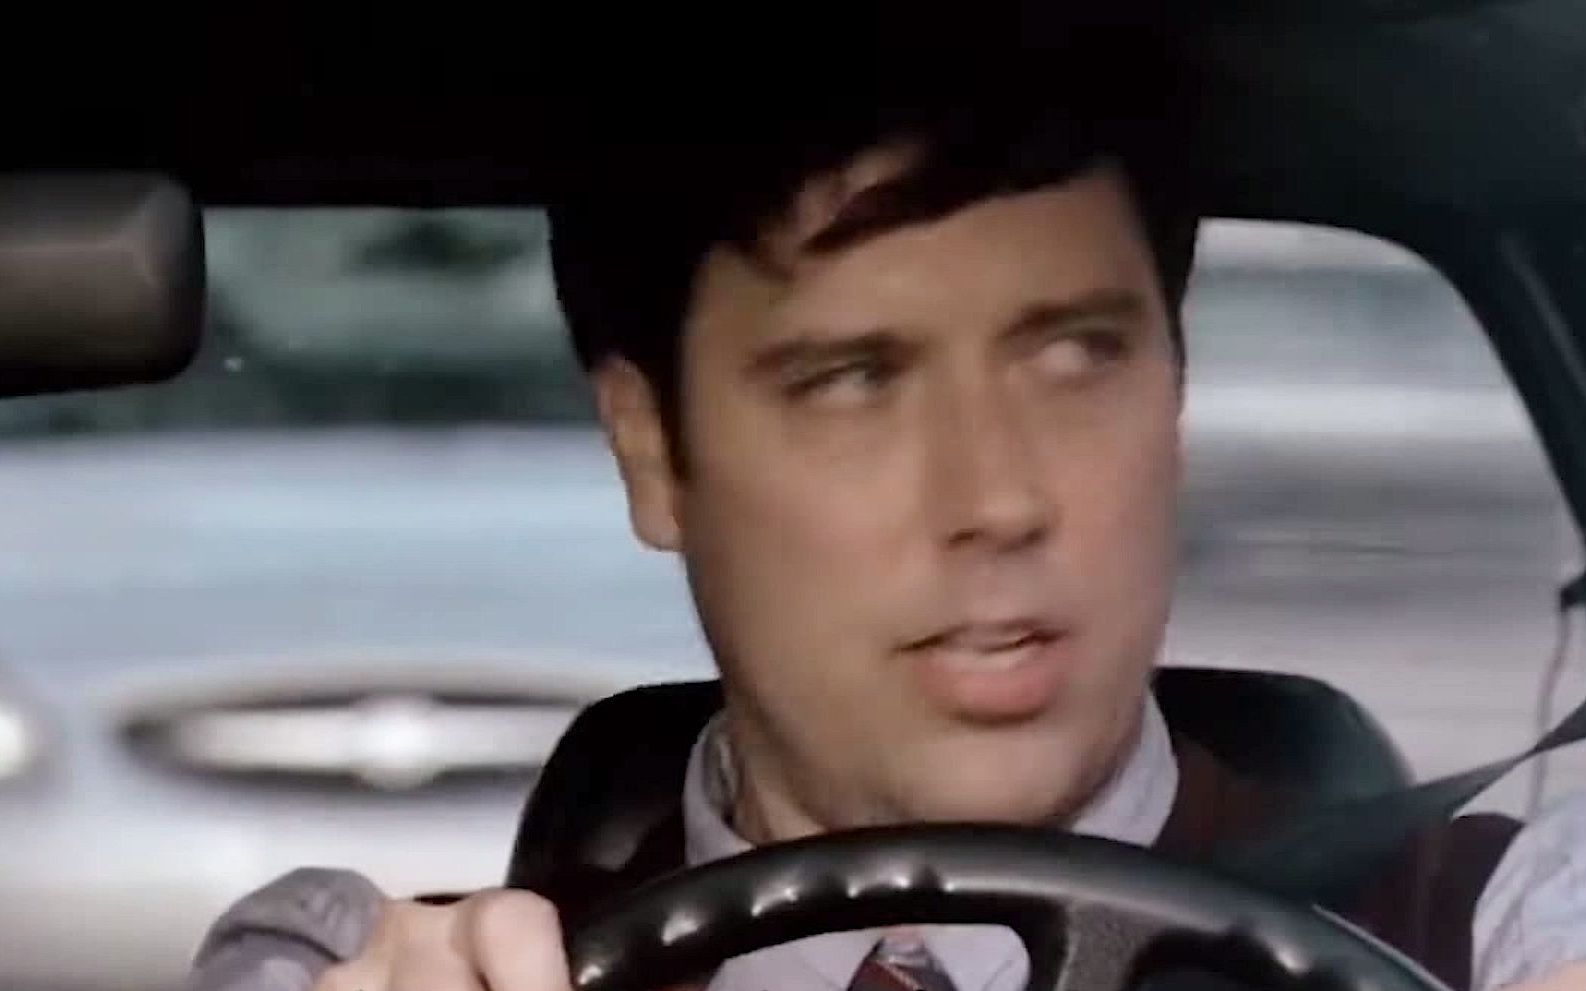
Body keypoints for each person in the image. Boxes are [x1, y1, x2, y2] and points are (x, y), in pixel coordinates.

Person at [184, 34, 1586, 991]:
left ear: (1174, 388)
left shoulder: (1479, 922)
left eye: (1075, 357)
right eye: (853, 380)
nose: (998, 498)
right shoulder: (416, 969)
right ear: (653, 451)